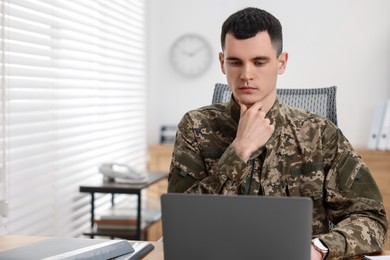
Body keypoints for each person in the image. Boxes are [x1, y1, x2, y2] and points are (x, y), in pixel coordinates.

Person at [167, 7, 387, 260]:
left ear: (281, 63)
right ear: (222, 63)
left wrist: (319, 249)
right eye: (235, 62)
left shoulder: (319, 134)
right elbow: (181, 225)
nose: (246, 74)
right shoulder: (195, 127)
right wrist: (238, 151)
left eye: (259, 62)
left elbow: (371, 219)